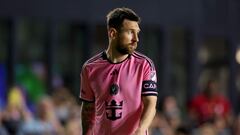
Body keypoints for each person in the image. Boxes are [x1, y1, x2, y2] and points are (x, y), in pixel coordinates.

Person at [79, 7, 158, 135]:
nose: (136, 39)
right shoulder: (90, 68)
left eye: (137, 33)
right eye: (130, 32)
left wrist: (141, 129)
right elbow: (88, 109)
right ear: (113, 33)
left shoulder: (144, 65)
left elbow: (151, 104)